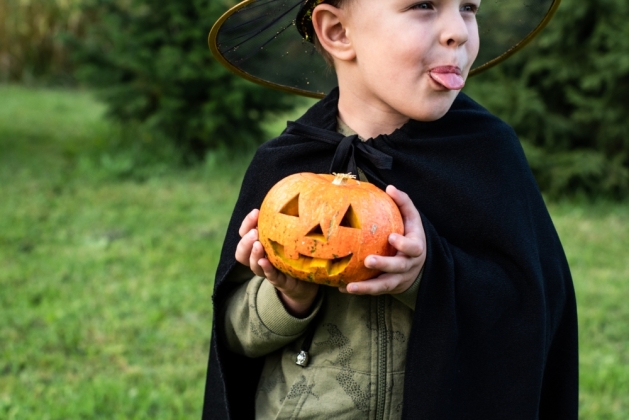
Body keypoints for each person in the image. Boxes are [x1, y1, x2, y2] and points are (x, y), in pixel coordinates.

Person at [202, 0, 578, 419]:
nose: (458, 31)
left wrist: (428, 276)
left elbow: (531, 313)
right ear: (338, 32)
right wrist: (289, 297)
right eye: (423, 5)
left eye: (469, 7)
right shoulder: (285, 167)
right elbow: (232, 342)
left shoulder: (487, 154)